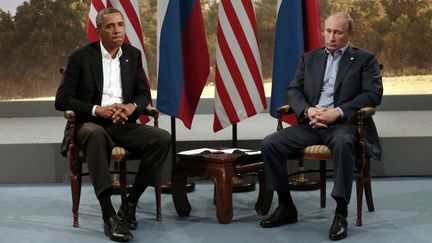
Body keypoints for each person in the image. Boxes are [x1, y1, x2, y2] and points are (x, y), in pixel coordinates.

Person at [260, 12, 383, 241]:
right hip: (312, 123)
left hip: (343, 125)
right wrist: (309, 111)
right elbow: (293, 90)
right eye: (328, 31)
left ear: (350, 34)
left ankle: (340, 213)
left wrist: (336, 112)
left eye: (338, 32)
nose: (331, 37)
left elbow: (373, 95)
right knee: (270, 144)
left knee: (345, 143)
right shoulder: (310, 58)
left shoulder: (365, 59)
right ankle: (286, 207)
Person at [55, 8, 171, 242]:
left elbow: (142, 94)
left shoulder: (133, 55)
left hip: (122, 123)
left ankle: (130, 203)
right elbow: (62, 100)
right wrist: (98, 109)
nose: (117, 30)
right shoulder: (80, 58)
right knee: (96, 135)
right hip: (90, 124)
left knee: (162, 138)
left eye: (120, 25)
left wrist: (130, 108)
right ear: (98, 31)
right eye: (110, 26)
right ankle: (108, 214)